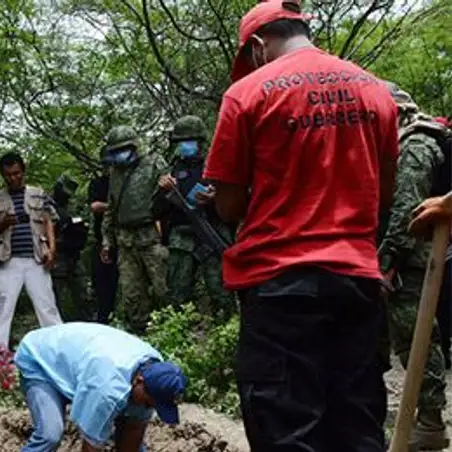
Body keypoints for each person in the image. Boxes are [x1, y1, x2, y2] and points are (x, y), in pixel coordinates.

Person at [202, 1, 399, 450]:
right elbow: (383, 193)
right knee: (357, 428)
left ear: (256, 45)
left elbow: (229, 206)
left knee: (286, 431)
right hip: (356, 283)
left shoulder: (248, 93)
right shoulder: (375, 91)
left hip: (280, 286)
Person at [378, 83, 451, 450]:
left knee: (417, 338)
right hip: (398, 258)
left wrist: (387, 261)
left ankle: (429, 421)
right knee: (376, 338)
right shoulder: (404, 144)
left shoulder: (417, 144)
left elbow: (407, 210)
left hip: (411, 261)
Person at [14, 322, 187, 452]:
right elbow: (90, 448)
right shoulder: (108, 391)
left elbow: (133, 433)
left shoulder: (155, 373)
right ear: (139, 381)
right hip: (41, 360)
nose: (149, 408)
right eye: (150, 403)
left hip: (80, 363)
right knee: (50, 435)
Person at [0, 152, 63, 369]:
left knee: (47, 308)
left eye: (16, 173)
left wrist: (52, 250)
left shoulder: (38, 194)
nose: (13, 178)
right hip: (7, 262)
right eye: (8, 174)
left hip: (36, 259)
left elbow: (49, 221)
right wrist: (1, 224)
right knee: (2, 311)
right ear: (2, 175)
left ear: (23, 172)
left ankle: (60, 354)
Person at [156, 115, 235, 318]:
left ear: (201, 141)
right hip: (181, 235)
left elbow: (236, 200)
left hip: (212, 230)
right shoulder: (172, 168)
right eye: (181, 142)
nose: (185, 146)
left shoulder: (216, 164)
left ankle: (225, 331)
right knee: (177, 293)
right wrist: (164, 191)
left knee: (221, 291)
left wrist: (215, 196)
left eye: (189, 141)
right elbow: (156, 210)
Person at [100, 125, 169, 335]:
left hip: (151, 235)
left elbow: (169, 200)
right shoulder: (115, 173)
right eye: (115, 151)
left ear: (134, 146)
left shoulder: (154, 164)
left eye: (123, 149)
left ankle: (171, 327)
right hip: (125, 240)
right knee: (132, 292)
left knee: (162, 287)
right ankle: (141, 332)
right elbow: (110, 208)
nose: (119, 155)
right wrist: (106, 240)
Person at [50, 174, 91, 321]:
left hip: (74, 256)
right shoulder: (47, 206)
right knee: (55, 298)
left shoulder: (74, 206)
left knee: (84, 294)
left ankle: (88, 323)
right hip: (57, 257)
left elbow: (84, 225)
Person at [88, 166, 119, 324]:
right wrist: (115, 207)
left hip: (125, 238)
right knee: (102, 282)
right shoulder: (98, 183)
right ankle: (103, 318)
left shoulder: (123, 180)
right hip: (103, 240)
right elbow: (95, 207)